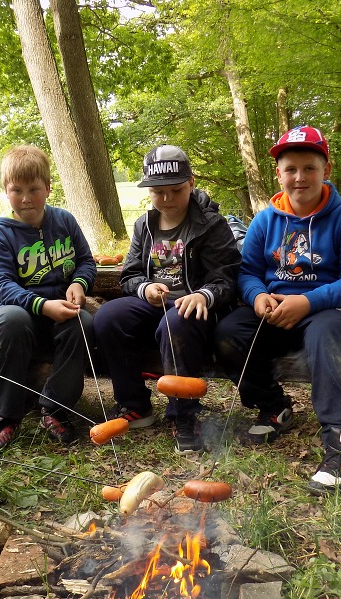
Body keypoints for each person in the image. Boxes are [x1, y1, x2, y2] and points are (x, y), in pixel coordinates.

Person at [214, 126, 341, 494]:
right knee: (228, 333)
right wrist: (256, 297)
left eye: (309, 168)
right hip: (275, 309)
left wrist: (308, 301)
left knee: (323, 334)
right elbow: (249, 272)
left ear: (326, 170)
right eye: (291, 169)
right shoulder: (265, 220)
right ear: (278, 174)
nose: (299, 177)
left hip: (326, 309)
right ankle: (273, 407)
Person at [93, 145, 240, 453]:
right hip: (154, 304)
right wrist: (145, 288)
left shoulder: (210, 225)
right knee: (108, 317)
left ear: (191, 183)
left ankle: (184, 415)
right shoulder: (144, 226)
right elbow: (130, 275)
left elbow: (227, 277)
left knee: (176, 322)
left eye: (176, 190)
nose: (168, 199)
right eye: (159, 192)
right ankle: (134, 405)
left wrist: (205, 294)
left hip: (195, 310)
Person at [0, 145, 96, 447]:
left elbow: (86, 261)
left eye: (34, 189)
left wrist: (80, 284)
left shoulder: (65, 221)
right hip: (23, 316)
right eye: (16, 190)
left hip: (61, 312)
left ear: (47, 188)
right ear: (5, 192)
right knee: (10, 319)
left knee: (82, 321)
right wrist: (41, 305)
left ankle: (55, 408)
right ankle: (7, 414)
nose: (25, 198)